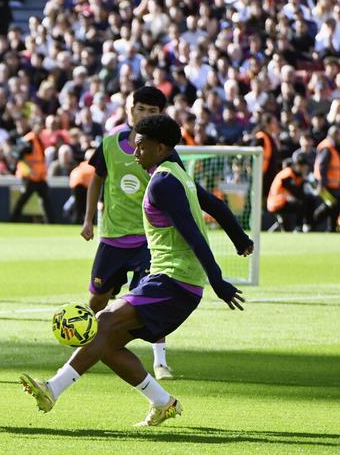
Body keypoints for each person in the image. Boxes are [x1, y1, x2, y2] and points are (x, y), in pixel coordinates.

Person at [22, 114, 253, 426]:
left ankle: (53, 389)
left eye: (141, 147)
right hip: (173, 280)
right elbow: (216, 205)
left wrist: (218, 281)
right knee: (108, 342)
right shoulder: (175, 172)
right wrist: (240, 239)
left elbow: (194, 235)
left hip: (174, 281)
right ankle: (163, 402)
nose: (135, 153)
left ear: (161, 148)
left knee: (102, 323)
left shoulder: (163, 183)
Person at [80, 86, 251, 381]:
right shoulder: (109, 145)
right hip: (112, 237)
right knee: (98, 301)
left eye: (153, 111)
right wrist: (89, 219)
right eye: (141, 108)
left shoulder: (167, 163)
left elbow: (202, 202)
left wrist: (236, 238)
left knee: (143, 300)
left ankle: (159, 362)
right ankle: (86, 347)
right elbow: (97, 179)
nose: (145, 114)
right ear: (128, 109)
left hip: (150, 243)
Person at [10, 116, 57, 222]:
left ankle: (51, 221)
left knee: (45, 199)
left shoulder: (38, 139)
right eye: (38, 125)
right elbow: (18, 156)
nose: (40, 128)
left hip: (38, 176)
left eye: (41, 125)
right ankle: (13, 219)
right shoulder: (30, 139)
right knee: (24, 199)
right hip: (29, 176)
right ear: (33, 126)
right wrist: (30, 170)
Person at [267, 152, 317, 232]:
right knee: (300, 203)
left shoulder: (298, 176)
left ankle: (308, 225)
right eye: (304, 167)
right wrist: (304, 179)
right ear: (299, 166)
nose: (306, 169)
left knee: (309, 199)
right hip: (277, 202)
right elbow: (295, 191)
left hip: (285, 201)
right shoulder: (287, 174)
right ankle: (298, 227)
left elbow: (300, 193)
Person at [314, 126, 340, 231]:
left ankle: (332, 229)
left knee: (334, 207)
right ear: (334, 134)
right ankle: (312, 221)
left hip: (334, 184)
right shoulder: (327, 147)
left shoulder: (333, 146)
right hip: (328, 184)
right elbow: (322, 166)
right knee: (331, 205)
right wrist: (321, 183)